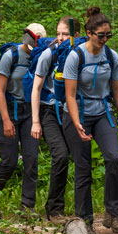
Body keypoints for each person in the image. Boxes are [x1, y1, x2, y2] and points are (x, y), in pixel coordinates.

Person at [62, 7, 118, 234]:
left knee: (113, 157)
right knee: (83, 168)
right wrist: (77, 122)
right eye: (101, 35)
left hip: (102, 111)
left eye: (108, 35)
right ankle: (85, 220)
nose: (105, 39)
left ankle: (115, 213)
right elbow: (69, 94)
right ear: (89, 33)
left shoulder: (111, 56)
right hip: (77, 113)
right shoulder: (76, 56)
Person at [0, 24, 47, 217]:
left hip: (29, 111)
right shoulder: (10, 56)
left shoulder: (39, 57)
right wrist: (6, 120)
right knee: (9, 161)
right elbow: (0, 91)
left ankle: (27, 206)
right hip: (9, 110)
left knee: (31, 159)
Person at [30, 16, 75, 221]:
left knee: (78, 158)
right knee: (61, 155)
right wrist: (35, 121)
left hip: (69, 111)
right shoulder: (49, 53)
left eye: (65, 34)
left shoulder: (78, 52)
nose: (60, 38)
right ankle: (54, 209)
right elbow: (36, 88)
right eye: (58, 33)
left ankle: (80, 210)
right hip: (48, 110)